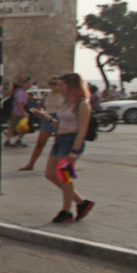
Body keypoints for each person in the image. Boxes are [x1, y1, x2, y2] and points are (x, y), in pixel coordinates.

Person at [46, 73, 94, 223]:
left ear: (71, 86)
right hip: (60, 139)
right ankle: (81, 202)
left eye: (61, 85)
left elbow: (82, 130)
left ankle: (66, 211)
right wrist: (48, 119)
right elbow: (61, 124)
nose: (58, 88)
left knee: (65, 177)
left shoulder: (82, 104)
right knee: (50, 174)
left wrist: (74, 151)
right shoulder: (66, 102)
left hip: (71, 141)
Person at [20, 76, 66, 171]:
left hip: (59, 118)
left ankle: (58, 166)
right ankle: (31, 164)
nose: (53, 85)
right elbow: (39, 108)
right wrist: (43, 115)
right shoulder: (47, 95)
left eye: (55, 83)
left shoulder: (63, 95)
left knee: (58, 144)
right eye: (51, 83)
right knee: (40, 143)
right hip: (47, 117)